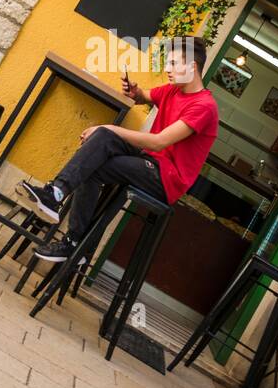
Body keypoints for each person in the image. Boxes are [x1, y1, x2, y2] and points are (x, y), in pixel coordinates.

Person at [20, 35, 219, 263]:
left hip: (167, 178)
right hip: (150, 160)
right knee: (103, 141)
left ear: (192, 67)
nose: (168, 69)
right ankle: (56, 195)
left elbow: (159, 142)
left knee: (102, 145)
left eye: (173, 64)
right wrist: (135, 92)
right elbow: (144, 96)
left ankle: (74, 242)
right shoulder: (174, 90)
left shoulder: (204, 106)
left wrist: (108, 127)